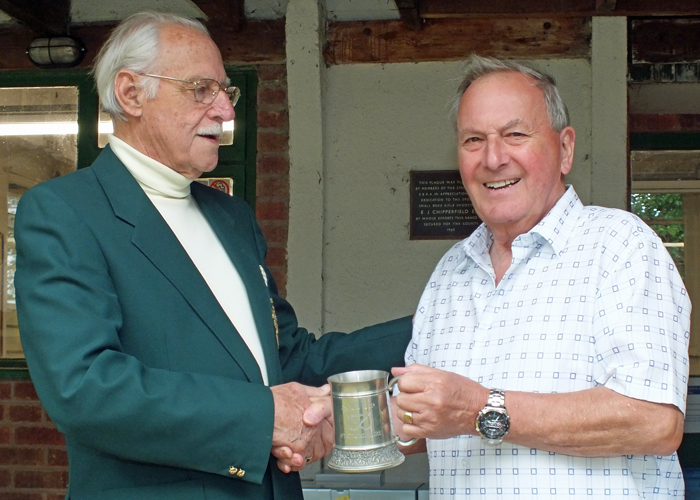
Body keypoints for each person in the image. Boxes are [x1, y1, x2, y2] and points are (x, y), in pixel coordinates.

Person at [14, 11, 412, 500]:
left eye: (226, 91)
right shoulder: (65, 212)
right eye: (201, 88)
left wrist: (436, 322)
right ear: (130, 93)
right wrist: (267, 417)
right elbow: (85, 387)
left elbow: (287, 359)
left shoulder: (231, 217)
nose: (226, 110)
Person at [391, 55, 691, 498]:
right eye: (474, 139)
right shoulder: (450, 271)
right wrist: (343, 416)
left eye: (515, 135)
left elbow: (654, 421)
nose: (493, 158)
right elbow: (427, 420)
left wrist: (479, 408)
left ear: (565, 148)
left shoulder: (620, 244)